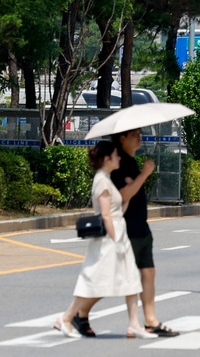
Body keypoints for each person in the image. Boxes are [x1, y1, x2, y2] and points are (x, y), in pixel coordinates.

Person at [56, 140, 155, 339]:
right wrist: (115, 239)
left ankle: (134, 323)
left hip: (119, 233)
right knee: (96, 281)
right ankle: (66, 317)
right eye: (116, 156)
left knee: (131, 279)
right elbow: (106, 215)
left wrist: (126, 198)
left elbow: (117, 210)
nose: (119, 158)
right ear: (107, 159)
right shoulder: (101, 180)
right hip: (111, 238)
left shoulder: (107, 179)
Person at [114, 128, 179, 337]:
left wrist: (142, 173)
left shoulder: (131, 161)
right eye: (135, 134)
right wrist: (144, 174)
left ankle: (151, 320)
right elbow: (124, 195)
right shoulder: (119, 163)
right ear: (122, 138)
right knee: (119, 277)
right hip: (127, 228)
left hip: (141, 226)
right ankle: (78, 313)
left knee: (148, 272)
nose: (139, 137)